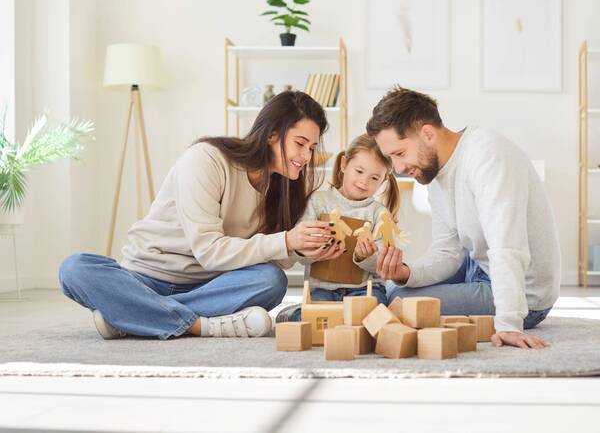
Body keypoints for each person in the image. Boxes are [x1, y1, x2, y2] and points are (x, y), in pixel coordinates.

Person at [59, 91, 336, 340]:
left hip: (209, 284)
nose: (306, 156)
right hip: (146, 277)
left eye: (311, 148)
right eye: (300, 143)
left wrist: (304, 249)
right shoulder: (207, 159)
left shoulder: (282, 188)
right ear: (272, 134)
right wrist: (287, 240)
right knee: (75, 269)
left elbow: (270, 255)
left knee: (271, 280)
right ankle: (200, 326)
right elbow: (208, 251)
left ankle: (132, 315)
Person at [366, 86, 560, 349]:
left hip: (524, 294)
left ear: (427, 133)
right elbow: (447, 251)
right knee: (393, 287)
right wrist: (406, 273)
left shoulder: (487, 155)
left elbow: (507, 247)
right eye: (391, 158)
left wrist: (508, 324)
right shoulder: (436, 174)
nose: (398, 168)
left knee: (398, 302)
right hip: (478, 267)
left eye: (400, 153)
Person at [276, 134, 400, 322]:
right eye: (359, 171)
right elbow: (299, 254)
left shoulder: (379, 213)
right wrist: (313, 248)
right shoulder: (318, 202)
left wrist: (365, 257)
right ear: (344, 165)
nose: (364, 182)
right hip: (323, 290)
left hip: (365, 290)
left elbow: (383, 266)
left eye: (374, 178)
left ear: (383, 181)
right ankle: (298, 313)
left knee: (375, 319)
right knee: (312, 321)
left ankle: (343, 318)